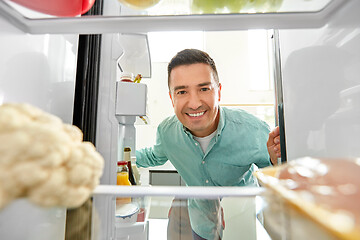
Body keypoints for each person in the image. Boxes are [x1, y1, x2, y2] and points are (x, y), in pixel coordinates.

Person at [136, 49, 281, 239]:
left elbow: (278, 181)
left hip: (242, 226)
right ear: (172, 98)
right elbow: (153, 156)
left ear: (218, 92)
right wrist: (110, 155)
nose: (194, 103)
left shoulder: (253, 130)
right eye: (182, 91)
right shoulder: (167, 133)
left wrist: (275, 160)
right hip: (200, 226)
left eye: (204, 89)